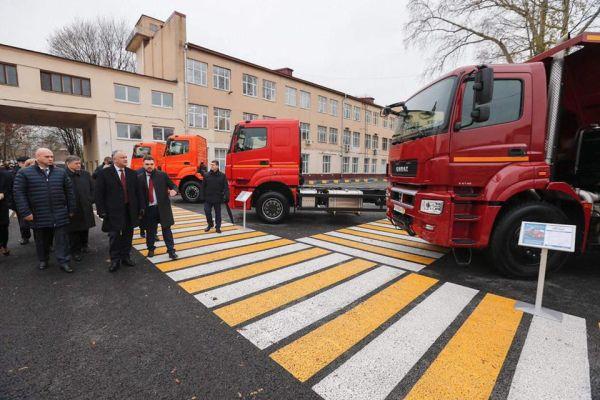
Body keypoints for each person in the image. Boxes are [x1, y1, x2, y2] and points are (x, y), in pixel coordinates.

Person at [13, 148, 76, 272]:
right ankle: (43, 259)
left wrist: (71, 209)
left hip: (59, 212)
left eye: (51, 156)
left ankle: (64, 261)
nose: (51, 159)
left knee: (62, 240)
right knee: (42, 240)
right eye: (47, 157)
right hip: (38, 214)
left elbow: (69, 191)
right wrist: (25, 212)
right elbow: (19, 194)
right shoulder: (24, 173)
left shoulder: (61, 172)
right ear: (38, 157)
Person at [94, 150, 143, 272]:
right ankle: (115, 260)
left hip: (129, 210)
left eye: (126, 157)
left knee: (128, 235)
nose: (126, 159)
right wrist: (101, 210)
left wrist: (141, 207)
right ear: (114, 159)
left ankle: (125, 257)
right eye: (122, 157)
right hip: (112, 211)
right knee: (114, 236)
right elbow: (99, 193)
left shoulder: (132, 173)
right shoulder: (104, 173)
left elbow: (138, 192)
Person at [137, 155, 178, 259]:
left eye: (151, 164)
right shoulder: (139, 178)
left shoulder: (162, 175)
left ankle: (171, 251)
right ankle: (151, 249)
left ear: (154, 164)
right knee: (150, 231)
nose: (149, 166)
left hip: (163, 208)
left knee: (167, 230)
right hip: (149, 209)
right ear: (143, 164)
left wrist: (174, 190)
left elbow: (173, 185)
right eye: (147, 164)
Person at [65, 155, 95, 261]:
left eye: (79, 163)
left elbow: (93, 188)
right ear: (68, 163)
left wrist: (91, 199)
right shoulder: (63, 175)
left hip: (85, 206)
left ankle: (84, 245)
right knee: (73, 231)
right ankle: (75, 251)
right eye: (76, 163)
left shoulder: (85, 174)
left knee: (85, 228)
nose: (79, 165)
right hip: (72, 208)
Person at [202, 160, 229, 233]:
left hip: (217, 198)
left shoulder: (222, 176)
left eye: (213, 165)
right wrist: (202, 196)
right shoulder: (206, 175)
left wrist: (227, 196)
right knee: (207, 211)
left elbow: (225, 187)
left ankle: (218, 227)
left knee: (218, 214)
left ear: (217, 166)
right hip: (208, 198)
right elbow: (203, 186)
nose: (212, 166)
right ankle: (210, 224)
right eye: (211, 165)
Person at [13, 156, 31, 245]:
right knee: (23, 223)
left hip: (34, 201)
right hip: (22, 202)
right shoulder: (14, 173)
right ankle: (25, 237)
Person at [0, 167, 13, 256]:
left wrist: (4, 194)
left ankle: (3, 245)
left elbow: (11, 190)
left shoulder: (6, 174)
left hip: (2, 207)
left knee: (3, 227)